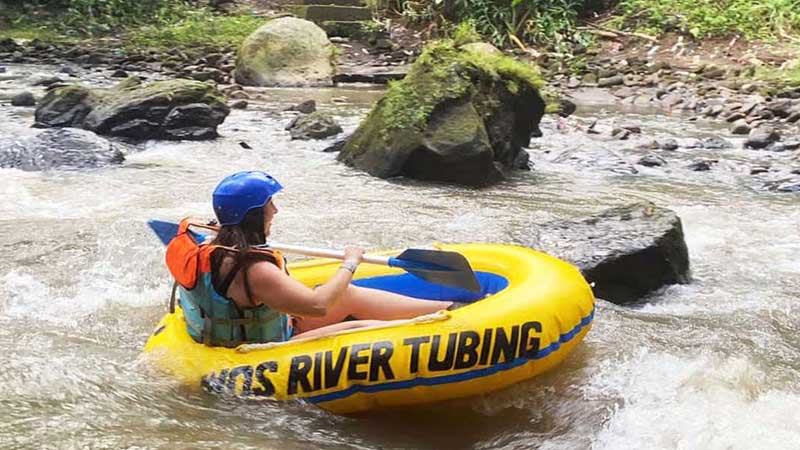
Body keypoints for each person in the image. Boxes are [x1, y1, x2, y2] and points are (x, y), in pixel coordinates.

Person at [165, 170, 454, 347]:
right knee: (357, 328)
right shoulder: (255, 270)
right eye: (269, 205)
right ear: (253, 215)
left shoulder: (212, 244)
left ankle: (450, 309)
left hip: (239, 329)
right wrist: (350, 262)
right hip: (262, 347)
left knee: (348, 295)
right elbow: (318, 306)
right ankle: (447, 331)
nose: (275, 211)